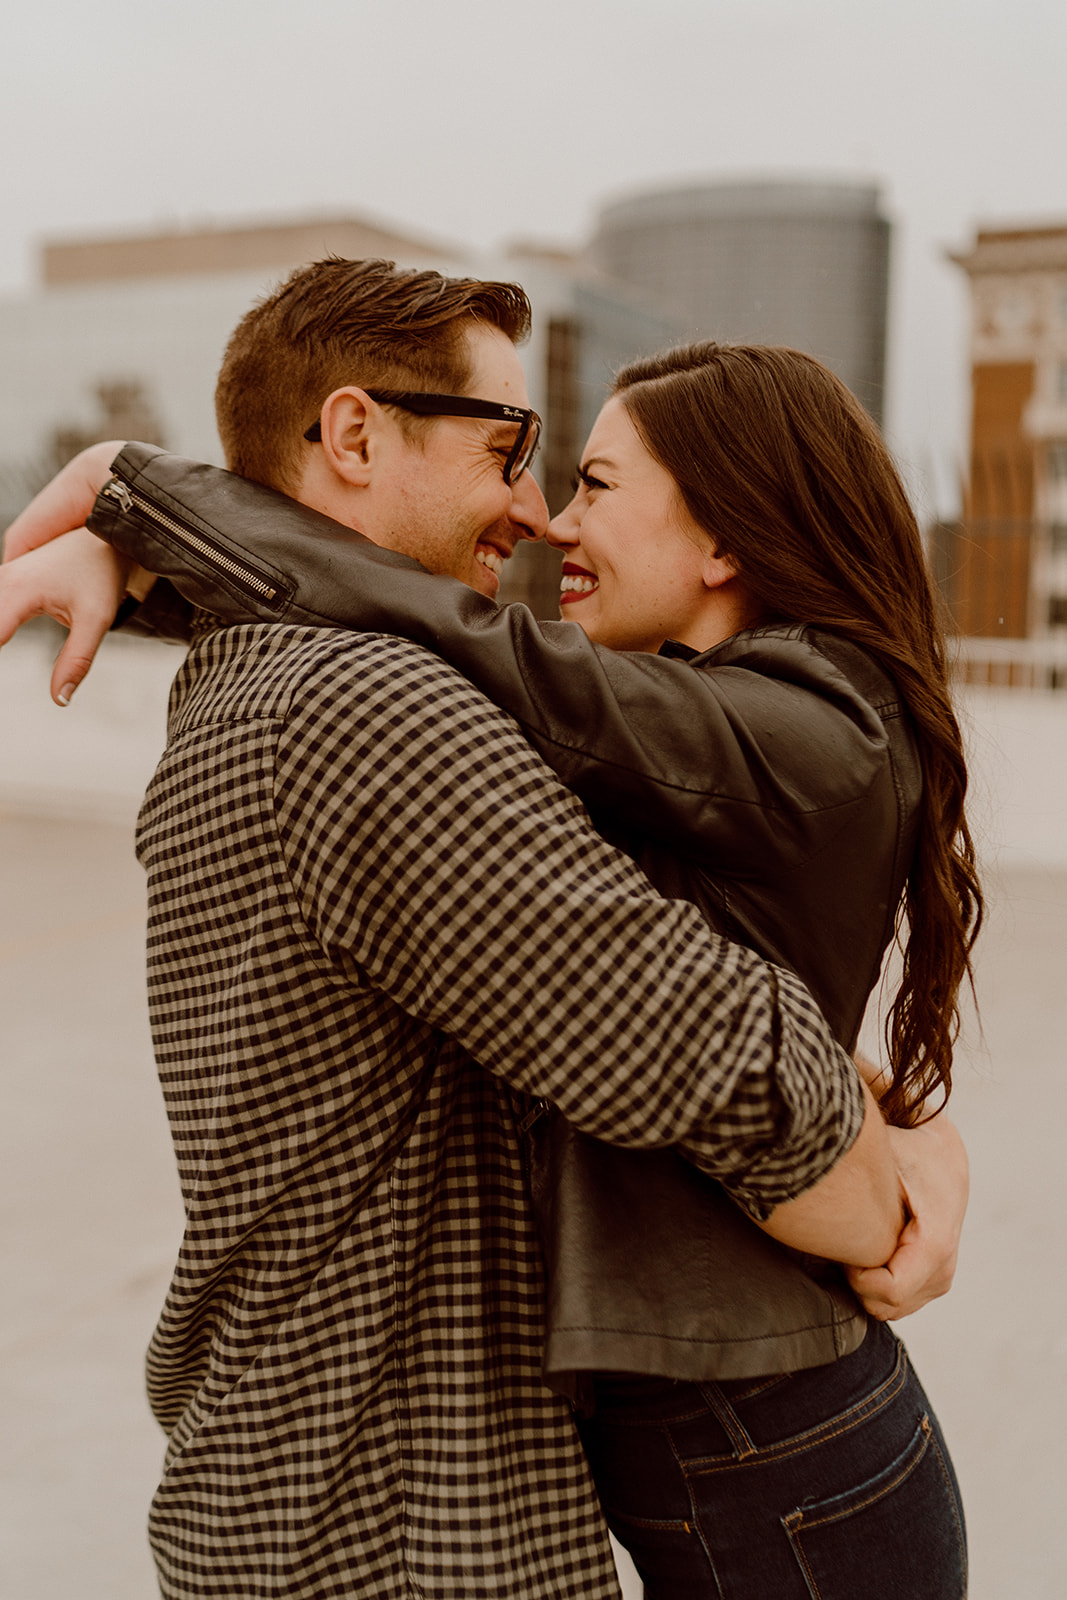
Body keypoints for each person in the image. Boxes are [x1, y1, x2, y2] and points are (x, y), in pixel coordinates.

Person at [0, 261, 950, 1600]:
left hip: (293, 1491)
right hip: (397, 1526)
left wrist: (146, 535)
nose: (532, 508)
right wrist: (893, 1186)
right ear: (351, 433)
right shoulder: (371, 712)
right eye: (507, 446)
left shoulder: (250, 688)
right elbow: (699, 1039)